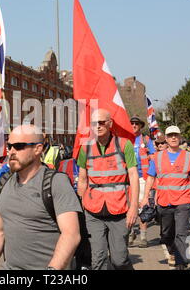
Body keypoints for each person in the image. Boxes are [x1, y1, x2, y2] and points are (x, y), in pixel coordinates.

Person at [0, 124, 82, 270]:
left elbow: (71, 234)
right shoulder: (4, 182)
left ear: (38, 149)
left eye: (19, 146)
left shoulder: (56, 182)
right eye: (9, 146)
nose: (11, 152)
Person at [77, 109, 139, 270]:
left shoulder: (125, 145)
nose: (97, 126)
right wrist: (79, 209)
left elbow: (133, 176)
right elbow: (82, 180)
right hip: (93, 212)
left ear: (110, 124)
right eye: (93, 124)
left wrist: (134, 208)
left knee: (119, 260)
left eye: (101, 122)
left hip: (119, 210)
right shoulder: (85, 148)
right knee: (98, 259)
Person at [141, 125, 190, 270]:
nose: (173, 138)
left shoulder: (189, 157)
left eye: (176, 135)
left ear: (180, 137)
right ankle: (172, 251)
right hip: (164, 201)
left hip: (183, 201)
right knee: (166, 234)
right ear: (166, 138)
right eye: (170, 135)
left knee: (181, 233)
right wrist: (146, 197)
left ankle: (180, 262)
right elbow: (150, 178)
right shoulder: (157, 157)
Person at [128, 116, 154, 248]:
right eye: (131, 123)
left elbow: (154, 156)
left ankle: (143, 237)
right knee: (128, 207)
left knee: (142, 207)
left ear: (140, 126)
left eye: (136, 123)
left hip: (142, 177)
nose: (133, 125)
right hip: (127, 179)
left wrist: (148, 157)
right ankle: (131, 233)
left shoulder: (146, 139)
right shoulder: (125, 139)